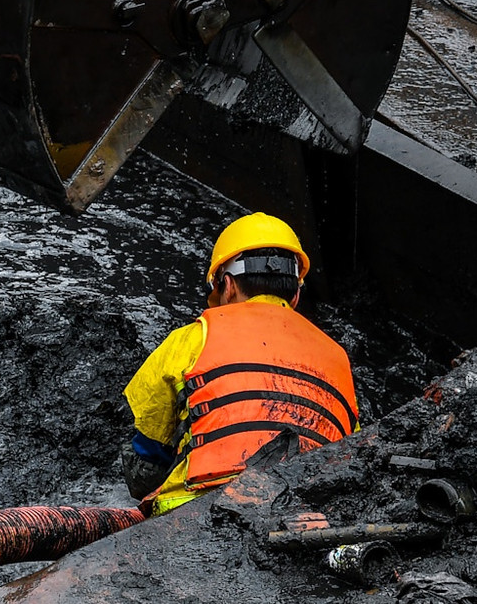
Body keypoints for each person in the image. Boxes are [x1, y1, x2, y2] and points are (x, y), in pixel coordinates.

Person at [123, 213, 359, 515]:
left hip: (200, 511)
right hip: (307, 513)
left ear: (228, 285)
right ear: (296, 293)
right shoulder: (337, 357)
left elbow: (147, 451)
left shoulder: (195, 336)